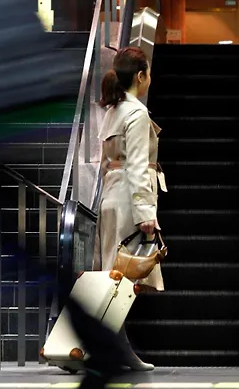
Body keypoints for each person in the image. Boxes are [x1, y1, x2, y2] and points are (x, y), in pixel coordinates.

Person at [93, 46, 165, 371]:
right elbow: (137, 165)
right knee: (122, 280)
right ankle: (108, 348)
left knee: (114, 278)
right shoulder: (136, 113)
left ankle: (115, 349)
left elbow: (105, 162)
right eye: (148, 73)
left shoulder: (112, 111)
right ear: (140, 76)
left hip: (111, 196)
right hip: (128, 202)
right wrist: (146, 213)